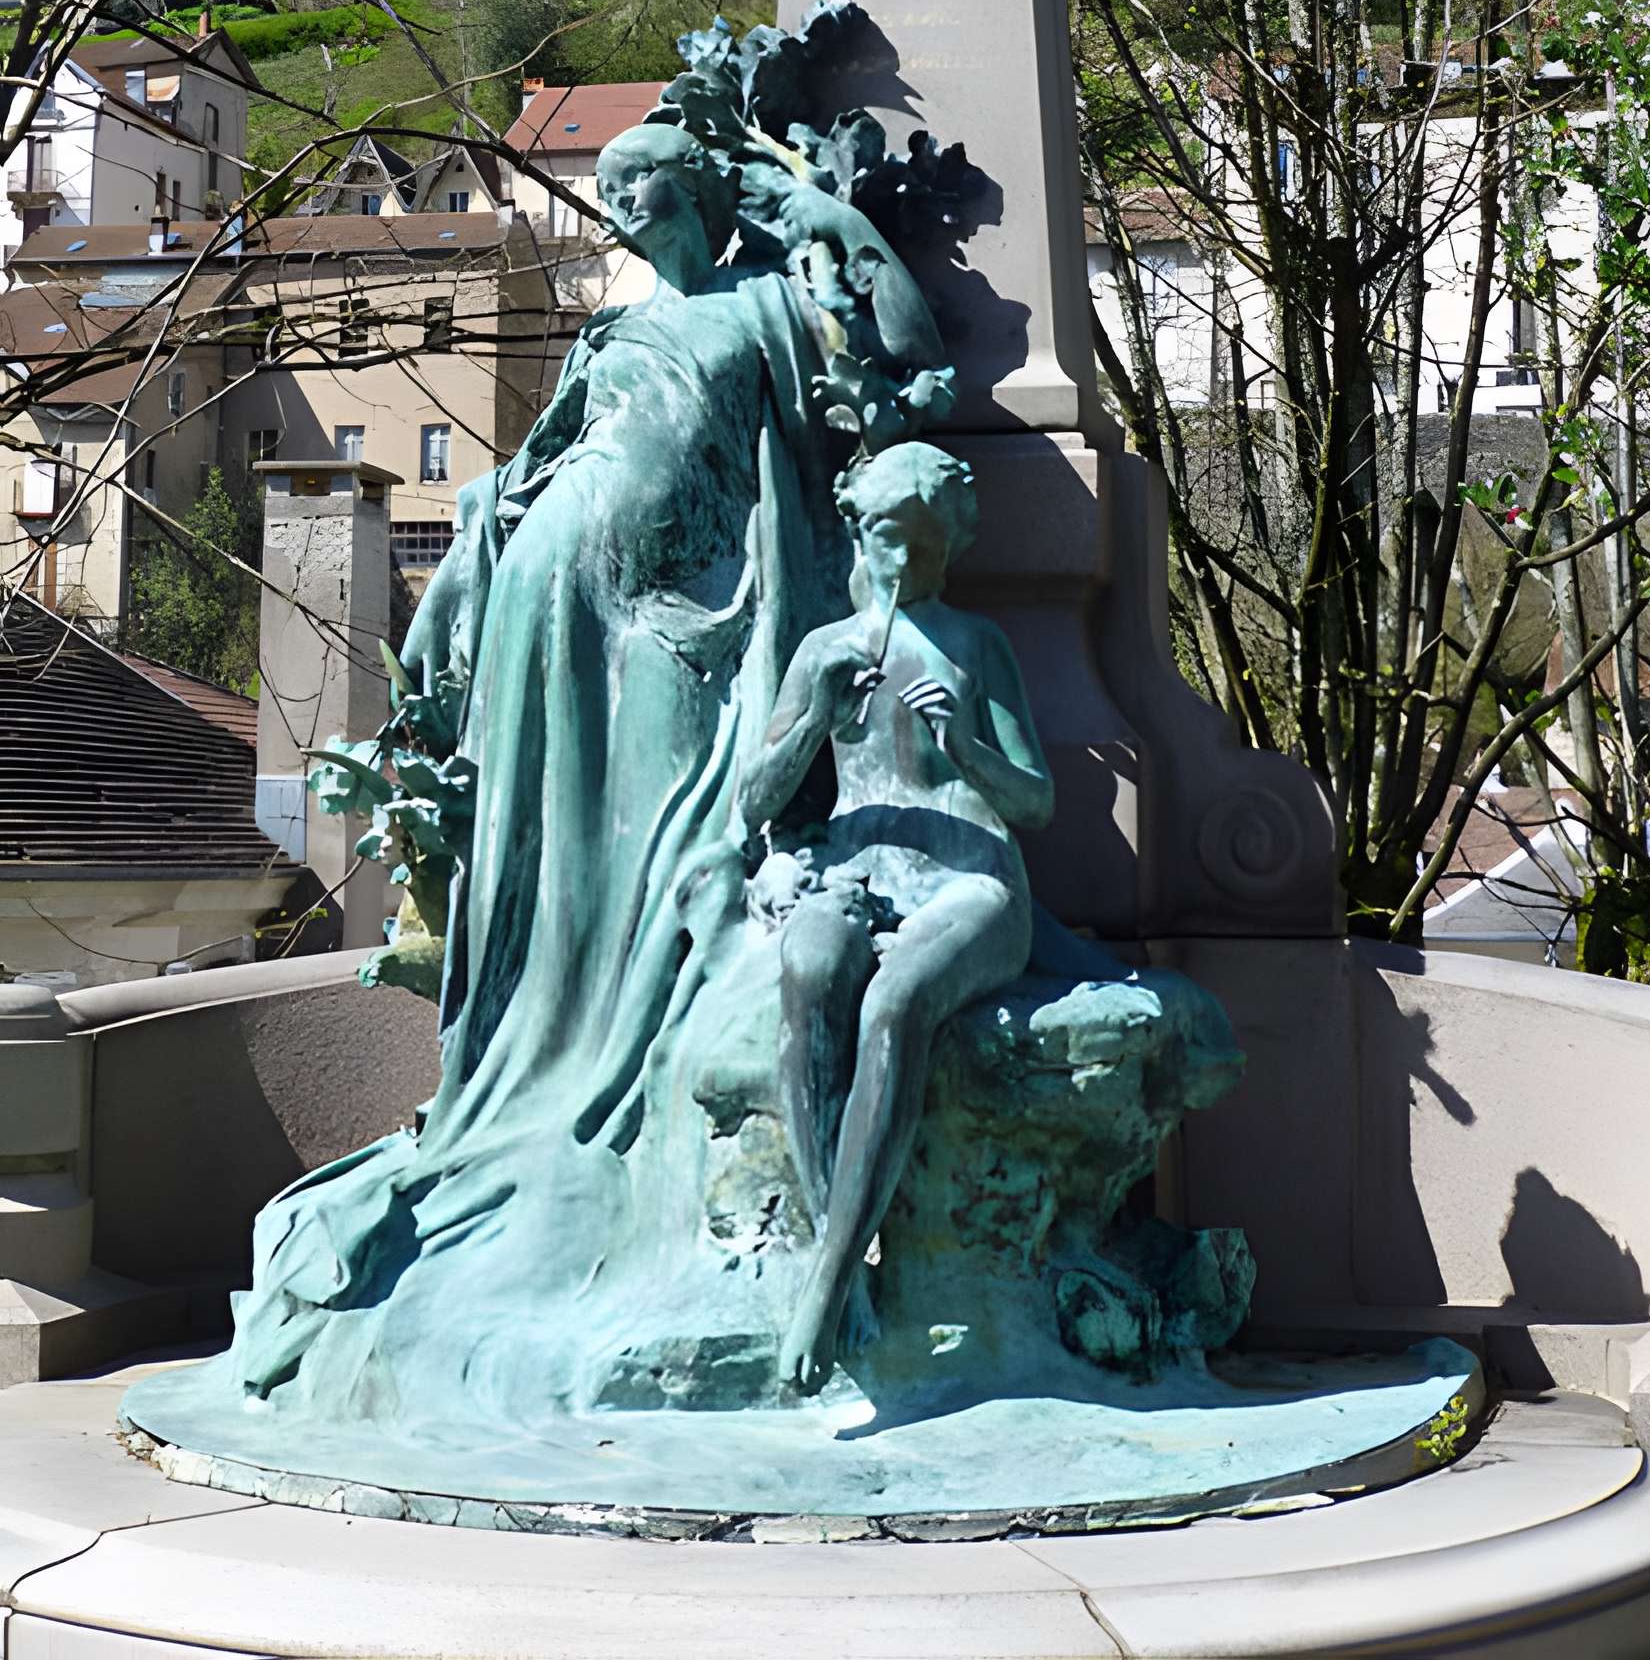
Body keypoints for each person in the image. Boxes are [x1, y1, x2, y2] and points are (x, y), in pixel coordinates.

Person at [221, 118, 941, 1412]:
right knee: (550, 861)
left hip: (680, 625)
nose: (617, 207)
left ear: (703, 190)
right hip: (549, 612)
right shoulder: (610, 335)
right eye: (604, 190)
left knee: (663, 857)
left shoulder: (772, 308)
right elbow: (528, 469)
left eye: (638, 182)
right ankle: (531, 1065)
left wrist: (811, 200)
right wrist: (478, 550)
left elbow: (905, 345)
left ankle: (630, 1094)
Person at [737, 441, 1053, 1394]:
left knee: (892, 1007)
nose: (905, 562)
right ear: (860, 537)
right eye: (887, 539)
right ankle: (844, 1253)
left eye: (923, 544)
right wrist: (808, 723)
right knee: (813, 973)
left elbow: (1034, 803)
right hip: (859, 868)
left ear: (949, 542)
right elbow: (755, 795)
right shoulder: (824, 650)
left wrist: (967, 745)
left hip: (970, 880)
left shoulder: (977, 646)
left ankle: (829, 1280)